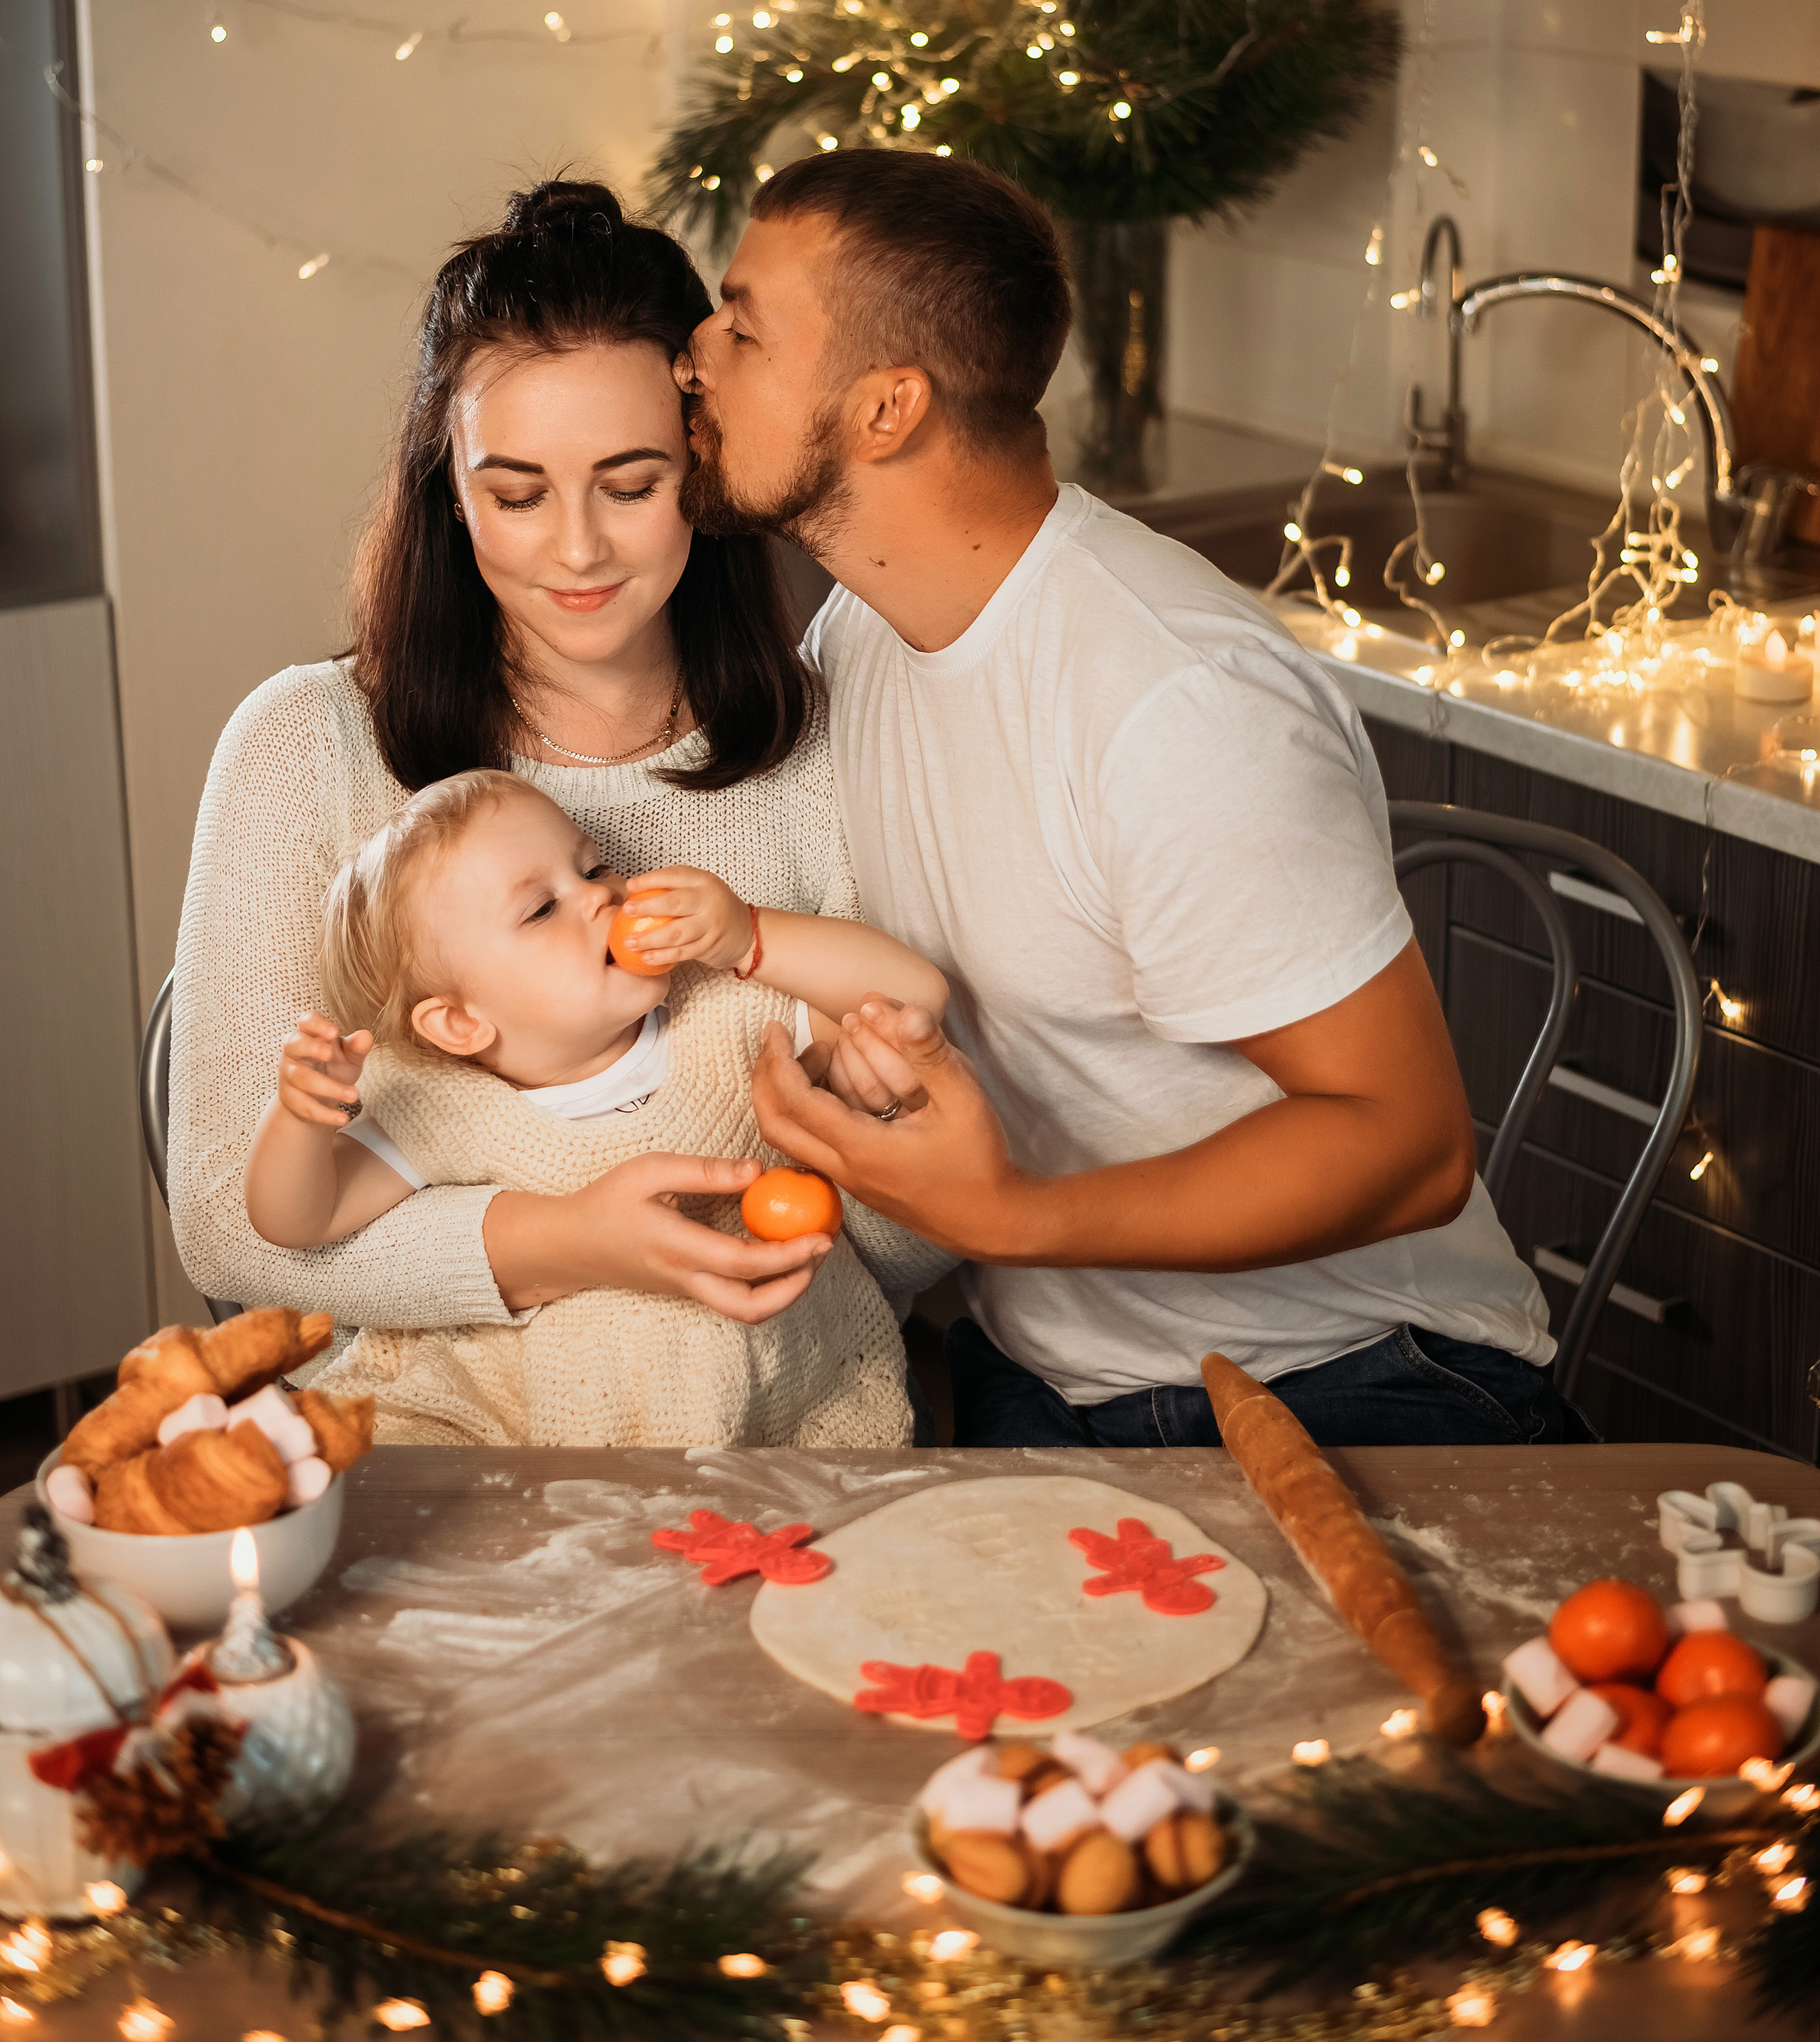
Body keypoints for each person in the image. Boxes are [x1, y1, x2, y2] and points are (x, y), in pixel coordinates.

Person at [679, 147, 1567, 1449]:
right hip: (1039, 1372)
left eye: (742, 329)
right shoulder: (863, 636)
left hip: (1350, 1377)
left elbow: (1411, 1147)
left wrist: (1003, 1221)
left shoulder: (1175, 706)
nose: (693, 356)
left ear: (886, 411)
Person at [171, 178, 944, 1349]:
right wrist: (566, 1242)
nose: (578, 549)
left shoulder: (826, 749)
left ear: (704, 463)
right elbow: (233, 1235)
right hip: (439, 1447)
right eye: (517, 493)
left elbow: (918, 1247)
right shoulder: (304, 746)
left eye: (631, 487)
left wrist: (881, 1137)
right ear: (450, 488)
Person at [238, 769, 947, 1445]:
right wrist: (299, 1120)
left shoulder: (730, 1021)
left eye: (593, 866)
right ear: (459, 1024)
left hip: (776, 1402)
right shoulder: (442, 1108)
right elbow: (297, 1218)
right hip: (531, 1429)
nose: (601, 897)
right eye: (542, 908)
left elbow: (913, 998)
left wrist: (749, 938)